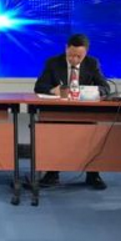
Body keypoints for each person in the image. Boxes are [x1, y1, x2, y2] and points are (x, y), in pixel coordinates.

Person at [34, 34, 110, 190]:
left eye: (78, 56)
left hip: (84, 112)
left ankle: (93, 174)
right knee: (52, 133)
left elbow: (105, 88)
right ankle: (52, 173)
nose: (74, 59)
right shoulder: (53, 62)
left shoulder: (92, 63)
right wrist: (52, 90)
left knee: (93, 133)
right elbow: (39, 87)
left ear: (86, 53)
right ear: (66, 49)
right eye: (71, 55)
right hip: (58, 112)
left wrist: (86, 91)